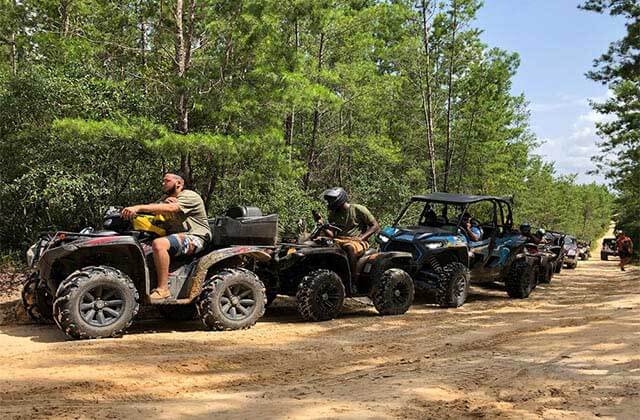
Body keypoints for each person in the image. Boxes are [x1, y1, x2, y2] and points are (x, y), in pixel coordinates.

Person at [122, 171, 212, 300]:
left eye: (167, 181)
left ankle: (163, 289)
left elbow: (172, 209)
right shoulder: (165, 199)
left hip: (197, 236)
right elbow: (153, 209)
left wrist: (137, 207)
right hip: (178, 235)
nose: (163, 183)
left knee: (159, 244)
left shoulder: (190, 196)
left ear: (179, 183)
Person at [321, 187, 380, 263]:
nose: (329, 203)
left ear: (339, 199)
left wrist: (361, 238)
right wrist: (322, 224)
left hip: (356, 241)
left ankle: (353, 274)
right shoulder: (333, 214)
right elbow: (331, 235)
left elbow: (375, 226)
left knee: (349, 248)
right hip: (339, 240)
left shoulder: (358, 209)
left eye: (331, 200)